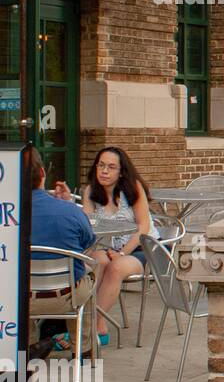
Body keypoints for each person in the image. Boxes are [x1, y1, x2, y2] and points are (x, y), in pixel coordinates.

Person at [81, 146, 158, 345]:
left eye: (111, 167)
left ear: (121, 171)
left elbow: (143, 227)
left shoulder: (134, 188)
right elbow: (90, 228)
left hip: (143, 248)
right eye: (101, 165)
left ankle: (90, 325)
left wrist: (123, 252)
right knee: (97, 262)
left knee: (116, 268)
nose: (104, 171)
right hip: (106, 247)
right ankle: (92, 327)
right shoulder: (90, 191)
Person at [27, 146, 95, 356]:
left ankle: (26, 346)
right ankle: (83, 349)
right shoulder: (70, 212)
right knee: (88, 274)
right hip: (66, 296)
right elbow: (87, 242)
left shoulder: (7, 214)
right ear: (43, 174)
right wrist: (66, 205)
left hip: (22, 299)